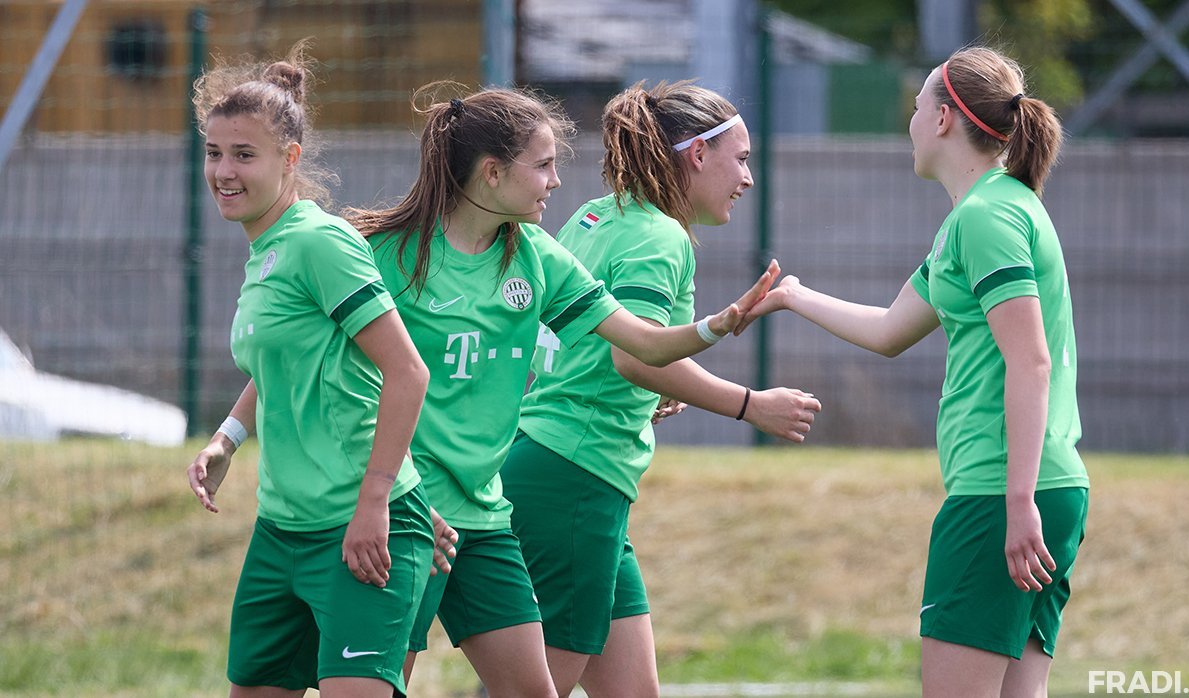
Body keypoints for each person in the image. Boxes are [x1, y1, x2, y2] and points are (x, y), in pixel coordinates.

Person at [346, 84, 778, 698]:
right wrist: (750, 403)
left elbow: (625, 343)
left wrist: (714, 328)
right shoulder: (391, 254)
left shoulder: (563, 235)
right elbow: (635, 358)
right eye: (544, 165)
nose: (555, 181)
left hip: (515, 489)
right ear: (493, 173)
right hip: (532, 482)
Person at [737, 47, 1090, 697]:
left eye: (919, 105)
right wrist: (793, 296)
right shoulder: (983, 213)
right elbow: (890, 329)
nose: (911, 120)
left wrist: (1017, 503)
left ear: (944, 119)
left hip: (999, 492)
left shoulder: (986, 217)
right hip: (1041, 488)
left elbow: (1031, 360)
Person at [500, 80, 823, 698]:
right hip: (576, 474)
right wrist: (752, 405)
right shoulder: (661, 236)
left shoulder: (597, 216)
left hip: (561, 466)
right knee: (535, 689)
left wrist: (649, 392)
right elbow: (636, 357)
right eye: (741, 158)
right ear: (698, 154)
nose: (748, 178)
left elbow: (601, 349)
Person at [183, 42, 443, 698]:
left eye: (244, 155)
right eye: (214, 153)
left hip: (361, 526)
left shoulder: (318, 242)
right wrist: (227, 440)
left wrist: (374, 502)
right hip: (280, 531)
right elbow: (279, 364)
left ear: (290, 159)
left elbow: (408, 373)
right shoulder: (266, 250)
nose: (224, 171)